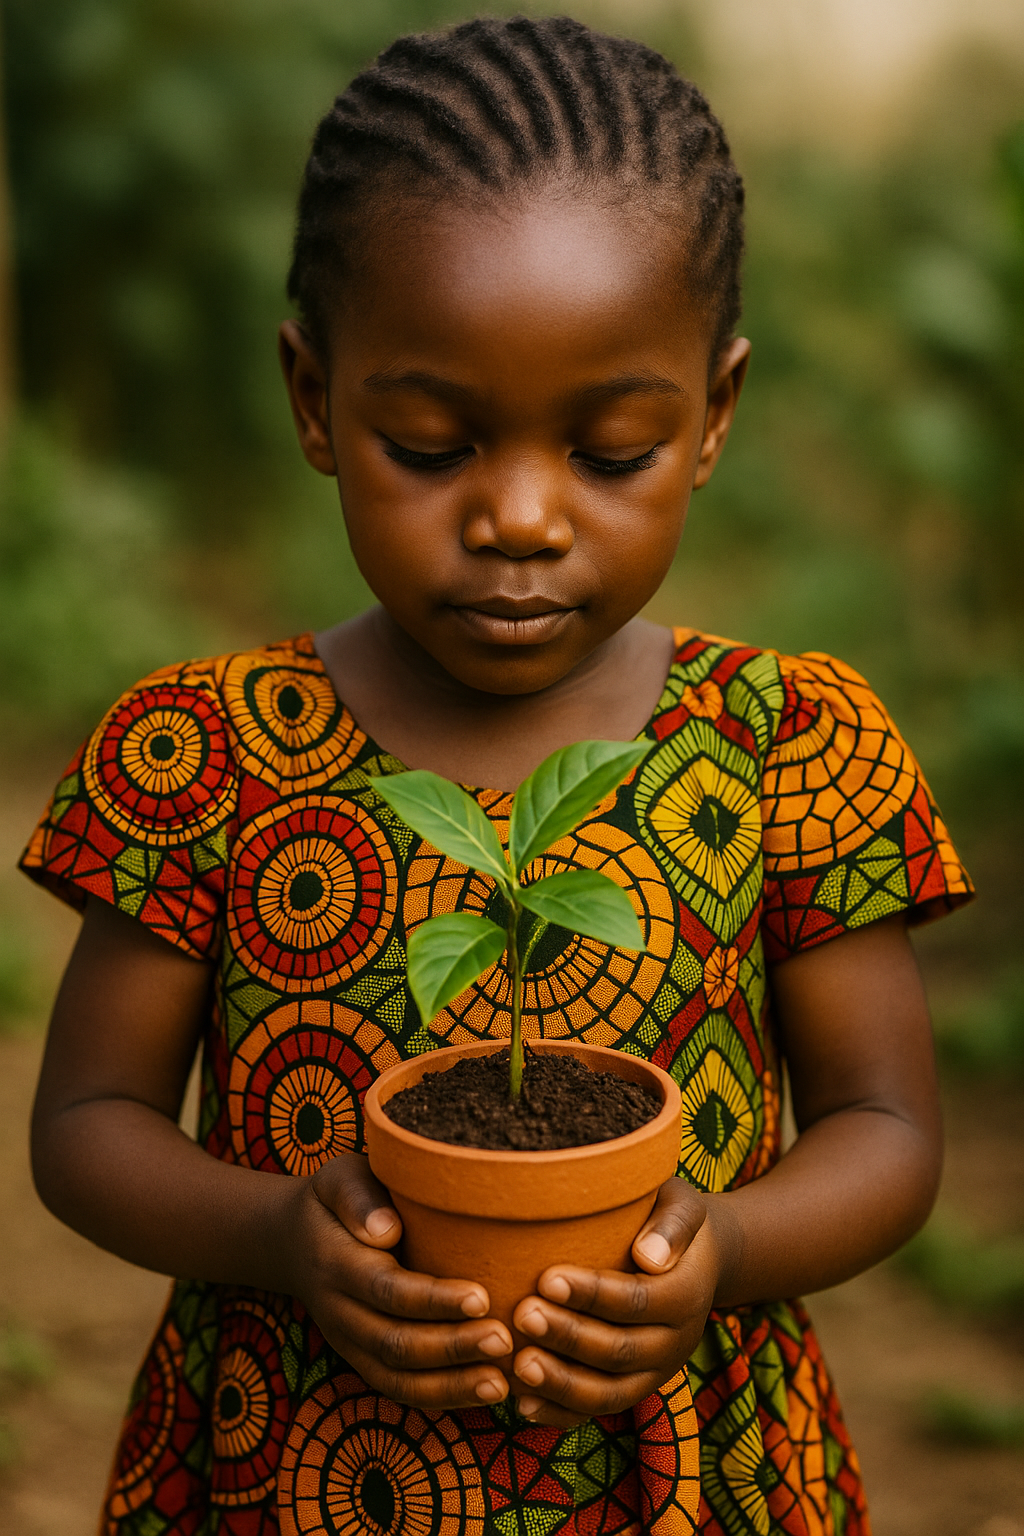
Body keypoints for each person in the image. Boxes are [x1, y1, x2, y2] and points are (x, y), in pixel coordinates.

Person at [21, 16, 973, 1535]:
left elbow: (889, 1130)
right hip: (301, 1469)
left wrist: (723, 1250)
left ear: (713, 416)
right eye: (429, 442)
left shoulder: (791, 739)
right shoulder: (202, 752)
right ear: (311, 399)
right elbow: (86, 1123)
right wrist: (277, 1234)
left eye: (609, 454)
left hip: (681, 1478)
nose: (520, 518)